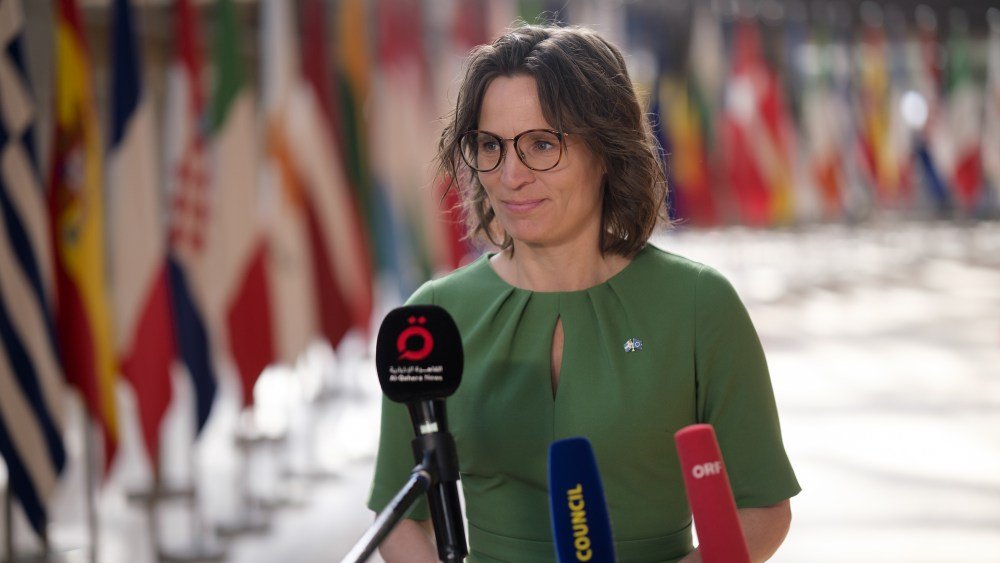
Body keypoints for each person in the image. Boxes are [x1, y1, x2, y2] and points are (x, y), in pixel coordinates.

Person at [367, 23, 800, 563]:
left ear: (607, 148)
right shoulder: (432, 318)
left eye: (542, 144)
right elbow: (397, 517)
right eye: (491, 146)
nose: (510, 176)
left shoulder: (698, 304)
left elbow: (762, 510)